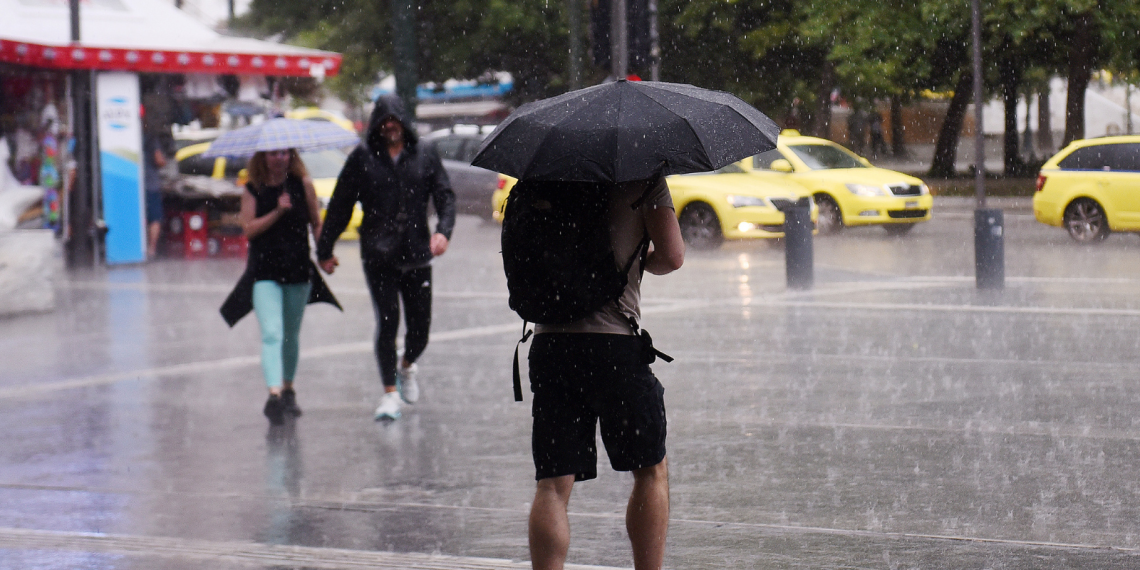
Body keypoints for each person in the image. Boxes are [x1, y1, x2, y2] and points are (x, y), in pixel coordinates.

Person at [526, 176, 685, 570]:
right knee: (650, 471)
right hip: (614, 345)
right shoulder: (642, 173)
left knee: (553, 484)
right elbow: (672, 256)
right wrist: (635, 260)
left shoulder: (542, 174)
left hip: (552, 345)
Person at [316, 95, 456, 421]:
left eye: (395, 119)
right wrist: (325, 249)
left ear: (404, 121)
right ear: (376, 124)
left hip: (417, 252)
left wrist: (443, 231)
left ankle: (406, 365)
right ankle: (389, 393)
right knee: (388, 320)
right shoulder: (362, 157)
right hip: (378, 253)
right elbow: (340, 205)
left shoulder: (425, 153)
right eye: (384, 120)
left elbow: (445, 196)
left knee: (420, 329)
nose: (390, 125)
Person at [220, 148, 340, 425]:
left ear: (291, 156)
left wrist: (325, 255)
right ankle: (273, 395)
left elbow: (316, 223)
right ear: (263, 157)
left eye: (284, 153)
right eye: (273, 154)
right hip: (264, 272)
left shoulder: (303, 185)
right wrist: (277, 211)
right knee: (272, 333)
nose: (279, 158)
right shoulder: (252, 189)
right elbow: (249, 229)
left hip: (297, 269)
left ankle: (288, 389)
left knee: (291, 335)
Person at [142, 132, 169, 258]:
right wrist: (164, 162)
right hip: (151, 184)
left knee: (141, 217)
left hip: (136, 185)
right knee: (154, 219)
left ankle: (140, 246)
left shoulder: (133, 137)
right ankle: (151, 249)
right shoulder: (151, 138)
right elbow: (159, 160)